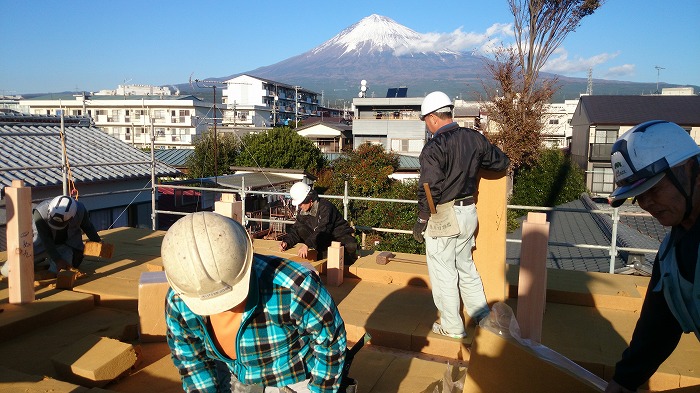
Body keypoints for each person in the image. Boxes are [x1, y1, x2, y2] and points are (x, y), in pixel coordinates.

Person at [163, 211, 347, 393]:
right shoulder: (180, 300)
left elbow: (331, 342)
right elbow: (191, 360)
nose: (224, 308)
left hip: (291, 380)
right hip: (229, 375)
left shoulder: (295, 287)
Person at [605, 120, 700, 393]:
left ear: (692, 170)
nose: (646, 204)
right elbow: (657, 328)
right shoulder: (670, 255)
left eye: (654, 189)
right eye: (638, 197)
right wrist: (624, 381)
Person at [413, 91, 510, 339]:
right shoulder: (474, 138)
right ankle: (483, 318)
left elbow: (429, 188)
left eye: (426, 119)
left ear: (433, 117)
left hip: (444, 216)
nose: (427, 124)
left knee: (443, 272)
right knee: (466, 267)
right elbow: (500, 162)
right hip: (469, 212)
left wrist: (422, 220)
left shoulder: (434, 147)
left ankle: (453, 327)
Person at [1, 195, 102, 278]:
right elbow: (46, 239)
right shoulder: (40, 213)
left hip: (67, 245)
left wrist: (98, 243)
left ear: (71, 218)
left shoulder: (80, 210)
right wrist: (57, 259)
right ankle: (43, 261)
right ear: (49, 211)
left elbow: (88, 227)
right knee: (7, 270)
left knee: (61, 271)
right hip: (42, 244)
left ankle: (48, 265)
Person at [279, 182, 358, 264]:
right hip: (323, 240)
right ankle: (322, 256)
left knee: (348, 249)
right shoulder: (303, 211)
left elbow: (323, 229)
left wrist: (307, 245)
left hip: (339, 236)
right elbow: (296, 230)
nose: (300, 206)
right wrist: (286, 242)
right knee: (301, 228)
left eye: (301, 203)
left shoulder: (326, 208)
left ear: (310, 200)